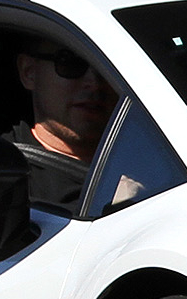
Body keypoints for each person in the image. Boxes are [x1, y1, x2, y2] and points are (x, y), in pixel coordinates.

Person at [10, 40, 117, 209]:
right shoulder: (1, 175)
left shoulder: (162, 161)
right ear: (28, 72)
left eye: (110, 68)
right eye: (70, 62)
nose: (95, 83)